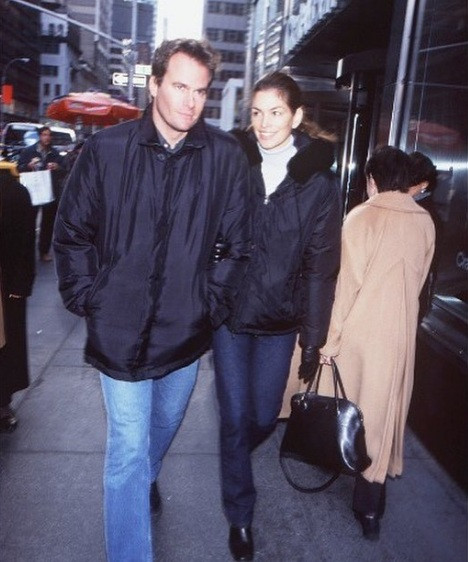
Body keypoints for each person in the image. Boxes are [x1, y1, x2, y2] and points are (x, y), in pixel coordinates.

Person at [53, 38, 251, 562]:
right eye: (180, 86)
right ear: (155, 84)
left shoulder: (225, 157)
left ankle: (147, 476)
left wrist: (210, 303)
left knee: (160, 430)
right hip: (117, 330)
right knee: (127, 449)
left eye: (201, 91)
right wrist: (89, 296)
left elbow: (238, 245)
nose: (190, 101)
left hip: (185, 331)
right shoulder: (106, 150)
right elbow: (71, 232)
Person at [212, 71, 342, 561]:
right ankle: (240, 516)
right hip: (228, 315)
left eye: (276, 112)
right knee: (234, 417)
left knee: (265, 415)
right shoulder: (232, 163)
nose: (264, 124)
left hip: (278, 322)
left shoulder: (318, 183)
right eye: (257, 113)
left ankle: (232, 456)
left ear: (297, 116)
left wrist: (313, 337)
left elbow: (320, 266)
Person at [319, 146, 435, 541]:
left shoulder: (361, 217)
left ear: (371, 180)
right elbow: (418, 283)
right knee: (382, 415)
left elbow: (346, 287)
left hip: (359, 330)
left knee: (349, 405)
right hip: (399, 334)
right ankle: (370, 509)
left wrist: (331, 341)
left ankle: (340, 460)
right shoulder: (424, 221)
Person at [0, 161, 36, 432]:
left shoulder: (14, 191)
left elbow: (24, 243)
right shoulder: (16, 190)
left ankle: (3, 403)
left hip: (6, 285)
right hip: (10, 284)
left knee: (6, 346)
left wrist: (20, 284)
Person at [18, 125, 64, 262]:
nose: (47, 138)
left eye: (49, 135)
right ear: (39, 136)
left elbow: (64, 170)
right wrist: (29, 165)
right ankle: (28, 252)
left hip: (49, 192)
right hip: (33, 191)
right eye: (44, 135)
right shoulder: (29, 151)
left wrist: (57, 167)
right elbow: (19, 168)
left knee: (48, 223)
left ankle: (44, 251)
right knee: (29, 222)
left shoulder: (55, 153)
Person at [408, 151, 440, 319]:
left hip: (412, 295)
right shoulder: (413, 208)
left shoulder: (425, 214)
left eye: (410, 181)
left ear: (424, 184)